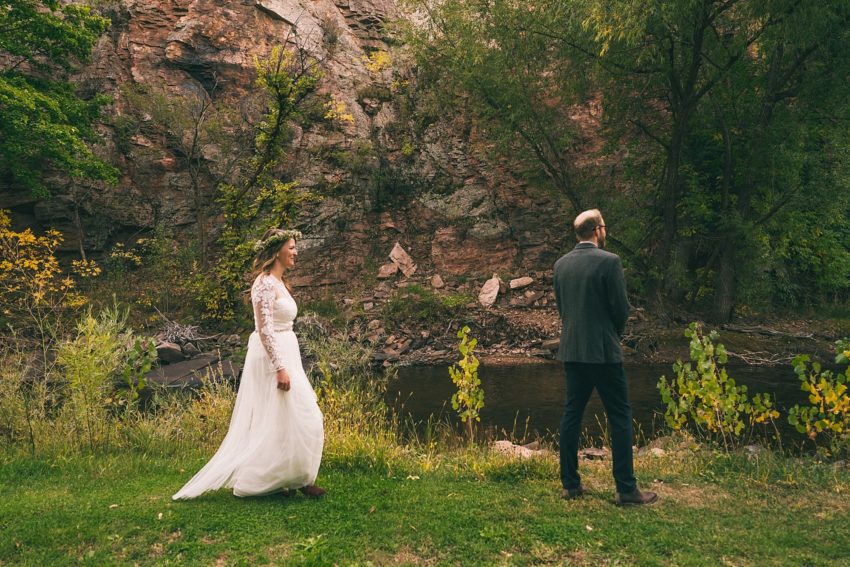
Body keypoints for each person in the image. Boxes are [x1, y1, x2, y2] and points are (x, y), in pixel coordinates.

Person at [172, 228, 326, 500]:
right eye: (291, 247)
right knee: (285, 416)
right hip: (271, 355)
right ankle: (260, 480)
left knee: (295, 417)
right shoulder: (264, 283)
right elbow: (264, 328)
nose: (295, 252)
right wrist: (279, 367)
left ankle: (297, 478)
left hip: (287, 350)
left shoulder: (280, 283)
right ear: (277, 250)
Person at [553, 209, 657, 506]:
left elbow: (564, 308)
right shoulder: (610, 262)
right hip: (603, 350)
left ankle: (571, 485)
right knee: (620, 416)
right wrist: (615, 334)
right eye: (604, 227)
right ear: (598, 230)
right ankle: (626, 489)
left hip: (572, 350)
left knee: (572, 415)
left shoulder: (561, 265)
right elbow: (621, 308)